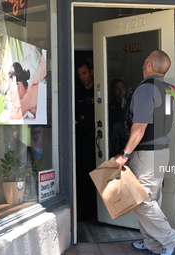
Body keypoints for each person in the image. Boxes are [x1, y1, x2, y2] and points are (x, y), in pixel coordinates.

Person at [115, 50, 175, 255]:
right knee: (151, 198)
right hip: (161, 150)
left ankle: (171, 239)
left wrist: (125, 154)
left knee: (141, 199)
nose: (143, 63)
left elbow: (140, 126)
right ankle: (153, 244)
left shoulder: (146, 89)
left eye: (146, 60)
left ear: (150, 65)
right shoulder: (169, 89)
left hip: (147, 153)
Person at [75, 60, 96, 220]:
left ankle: (99, 211)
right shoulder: (77, 93)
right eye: (79, 74)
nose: (82, 77)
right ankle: (87, 210)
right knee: (84, 175)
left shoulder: (99, 90)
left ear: (92, 72)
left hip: (99, 141)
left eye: (84, 73)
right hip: (83, 140)